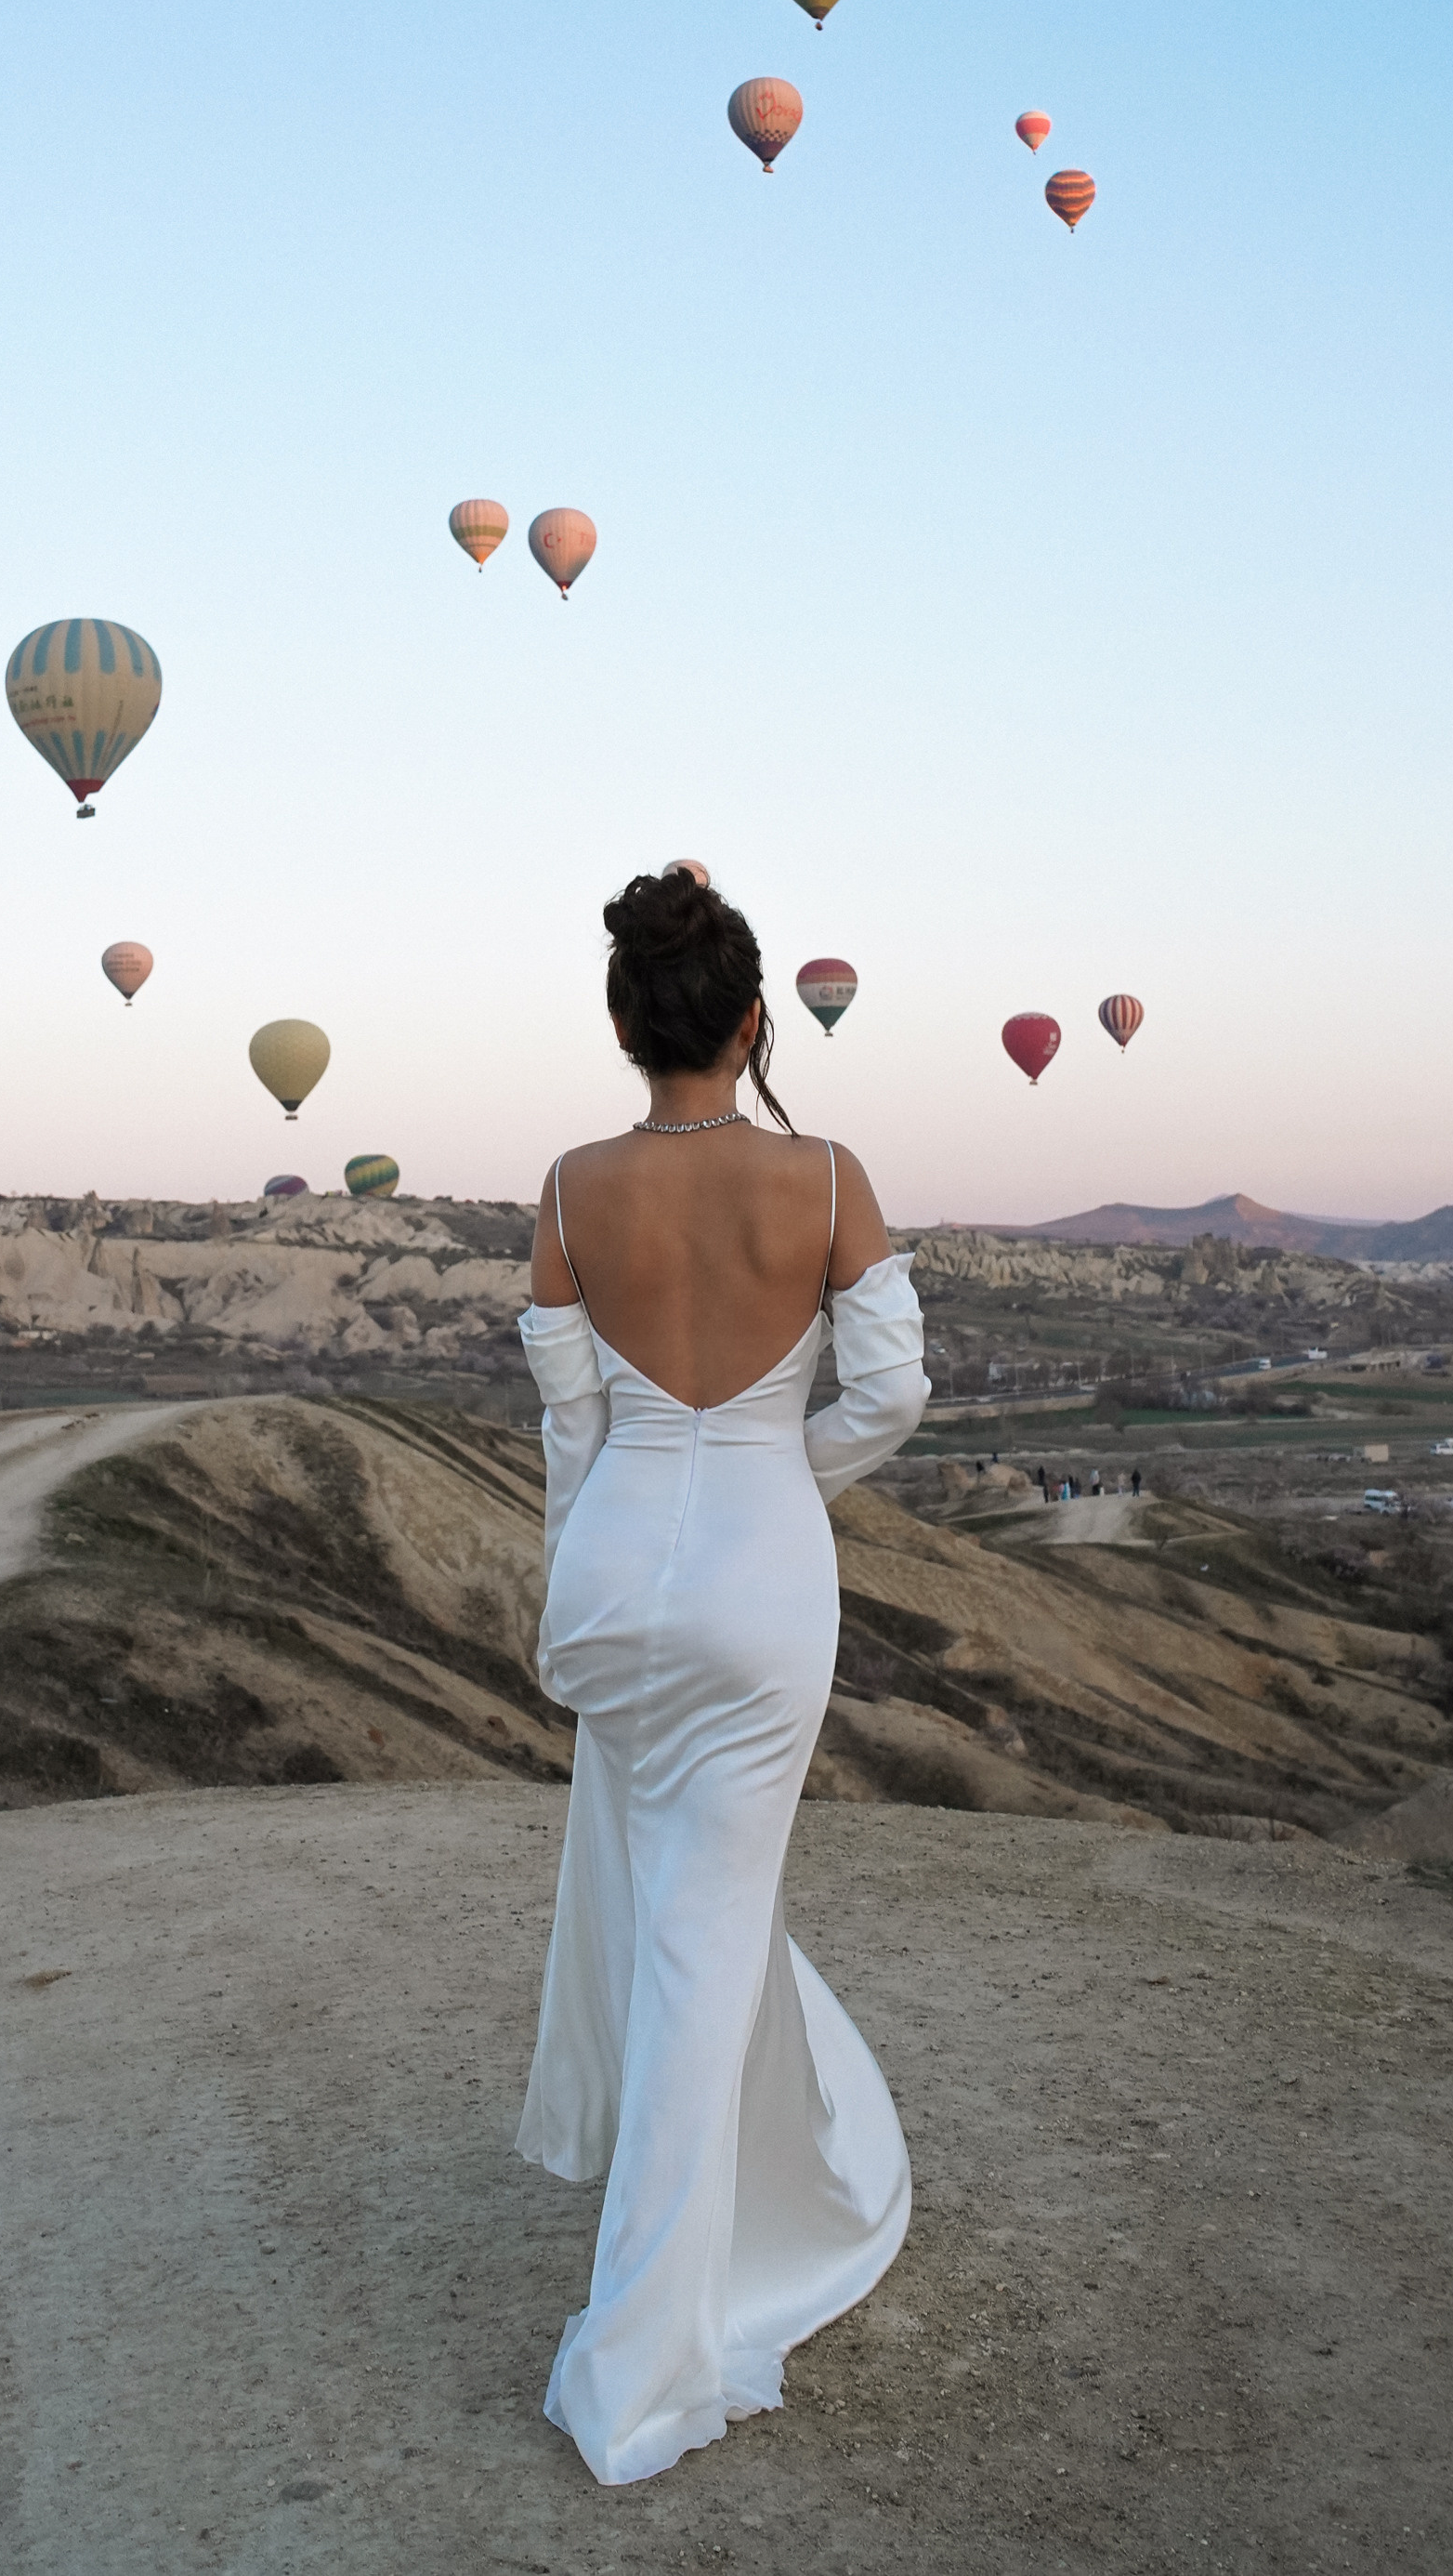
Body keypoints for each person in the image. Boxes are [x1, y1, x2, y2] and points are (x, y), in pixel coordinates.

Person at [516, 870, 930, 2487]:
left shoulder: (568, 1185)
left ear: (627, 1022)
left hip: (618, 1570)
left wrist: (586, 1565)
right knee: (700, 1930)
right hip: (763, 1579)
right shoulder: (827, 1175)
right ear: (757, 1021)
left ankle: (733, 2201)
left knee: (677, 1902)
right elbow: (890, 1390)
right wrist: (778, 1468)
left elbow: (575, 1430)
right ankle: (643, 2356)